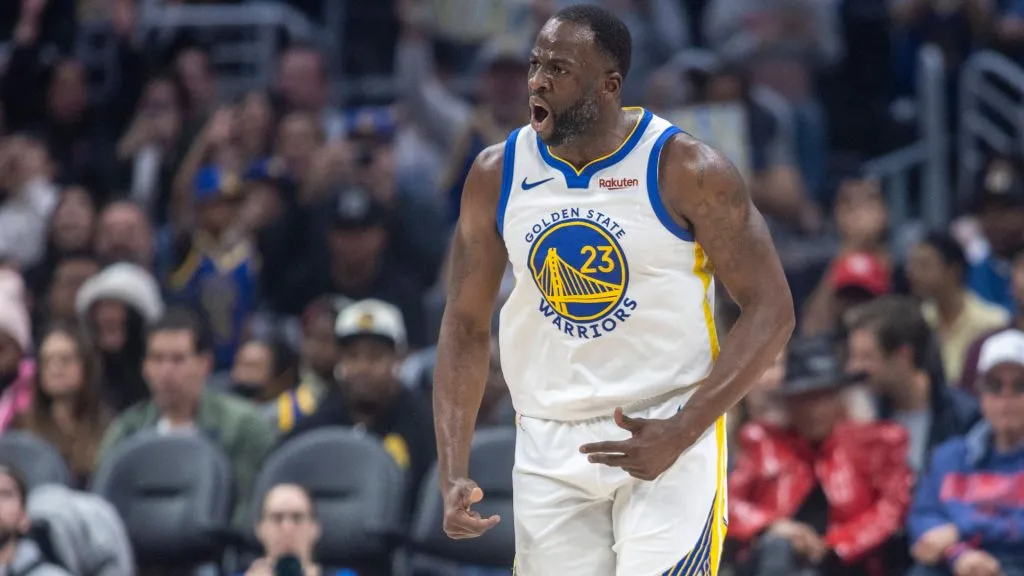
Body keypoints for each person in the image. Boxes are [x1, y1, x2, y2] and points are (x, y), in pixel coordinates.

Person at [432, 5, 795, 575]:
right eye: (535, 64)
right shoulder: (496, 173)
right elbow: (464, 324)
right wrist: (452, 468)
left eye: (559, 68)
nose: (538, 81)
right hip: (548, 438)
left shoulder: (687, 168)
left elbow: (772, 309)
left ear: (609, 85)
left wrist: (685, 428)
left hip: (666, 425)